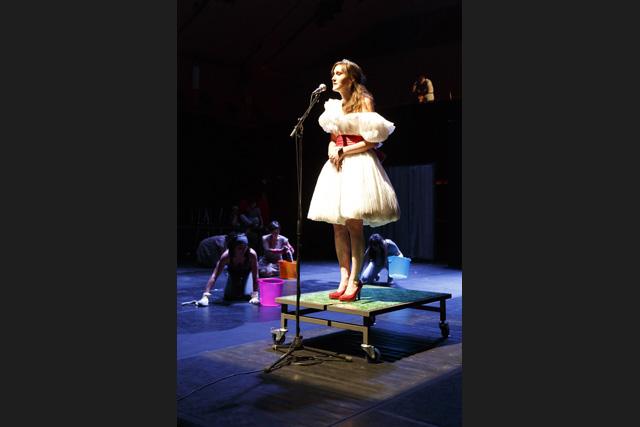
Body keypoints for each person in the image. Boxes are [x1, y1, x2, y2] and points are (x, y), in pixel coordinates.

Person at [307, 59, 401, 302]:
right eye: (333, 73)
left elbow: (373, 140)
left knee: (353, 223)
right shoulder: (333, 107)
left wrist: (344, 151)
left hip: (358, 162)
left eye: (339, 73)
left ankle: (355, 280)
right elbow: (333, 138)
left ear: (351, 79)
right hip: (337, 163)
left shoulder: (364, 102)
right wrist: (332, 150)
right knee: (337, 225)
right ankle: (343, 277)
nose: (334, 77)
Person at [197, 233, 260, 306]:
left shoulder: (251, 254)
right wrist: (205, 296)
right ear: (233, 247)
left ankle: (243, 285)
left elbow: (255, 276)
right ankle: (238, 284)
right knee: (228, 295)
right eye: (240, 248)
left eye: (245, 247)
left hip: (247, 274)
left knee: (247, 295)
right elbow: (214, 276)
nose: (243, 251)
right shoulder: (227, 256)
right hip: (233, 274)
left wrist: (255, 296)